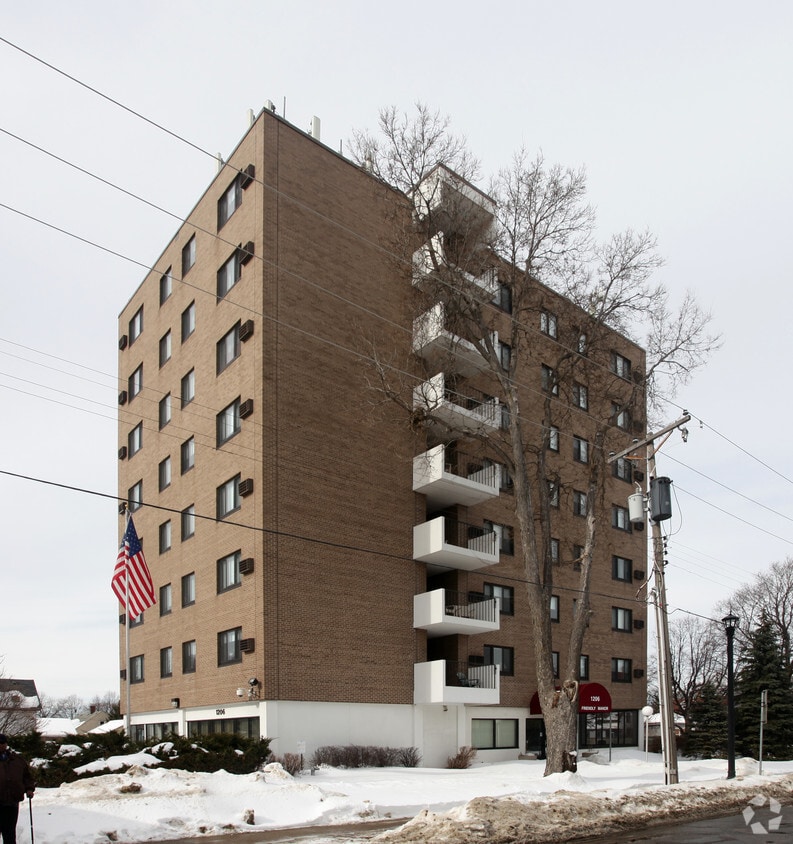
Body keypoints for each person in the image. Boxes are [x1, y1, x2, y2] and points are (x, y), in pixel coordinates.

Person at [0, 735, 35, 844]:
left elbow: (27, 777)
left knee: (10, 833)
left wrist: (29, 788)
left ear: (6, 744)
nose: (1, 745)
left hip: (12, 802)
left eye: (2, 743)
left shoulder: (17, 760)